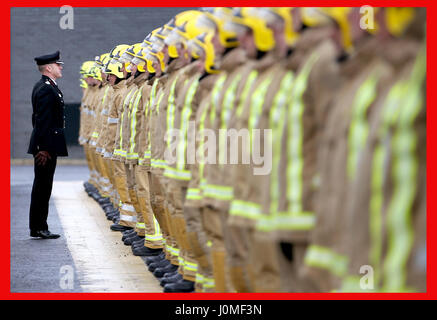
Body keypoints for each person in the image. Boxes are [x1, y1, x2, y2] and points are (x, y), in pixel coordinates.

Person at [28, 50, 68, 239]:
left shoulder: (48, 85)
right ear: (49, 68)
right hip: (46, 147)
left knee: (44, 186)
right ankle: (38, 227)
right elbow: (42, 120)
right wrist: (43, 148)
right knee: (42, 187)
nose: (61, 67)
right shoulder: (45, 88)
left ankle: (39, 226)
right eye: (58, 65)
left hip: (48, 144)